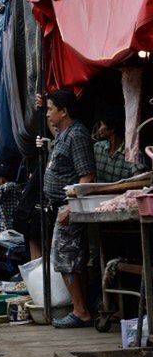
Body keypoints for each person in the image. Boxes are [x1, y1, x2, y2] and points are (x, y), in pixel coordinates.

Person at [38, 89, 96, 328]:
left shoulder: (77, 135)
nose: (48, 114)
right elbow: (52, 126)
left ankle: (80, 311)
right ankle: (80, 308)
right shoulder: (64, 133)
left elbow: (87, 176)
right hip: (60, 207)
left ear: (64, 111)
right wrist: (43, 107)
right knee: (66, 261)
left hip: (68, 208)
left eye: (51, 109)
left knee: (68, 261)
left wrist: (71, 208)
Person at [93, 106, 148, 183]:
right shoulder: (97, 148)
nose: (99, 129)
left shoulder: (132, 153)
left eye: (102, 125)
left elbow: (138, 181)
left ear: (112, 129)